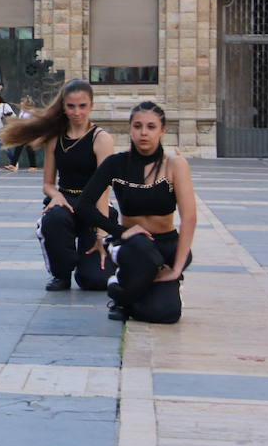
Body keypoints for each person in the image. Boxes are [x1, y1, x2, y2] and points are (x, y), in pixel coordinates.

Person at [76, 102, 195, 324]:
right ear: (130, 128)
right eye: (138, 126)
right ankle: (119, 294)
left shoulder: (175, 165)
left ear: (162, 130)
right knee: (142, 248)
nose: (144, 132)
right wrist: (120, 231)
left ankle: (132, 291)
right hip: (132, 245)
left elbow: (189, 217)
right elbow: (84, 205)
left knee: (166, 314)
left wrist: (176, 269)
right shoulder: (116, 164)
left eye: (151, 126)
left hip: (165, 245)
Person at [0, 79, 117, 293]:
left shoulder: (102, 139)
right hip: (66, 202)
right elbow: (47, 184)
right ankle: (60, 273)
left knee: (95, 281)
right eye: (71, 106)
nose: (76, 112)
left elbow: (103, 189)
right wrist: (55, 195)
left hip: (93, 205)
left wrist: (102, 232)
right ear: (63, 106)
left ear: (91, 106)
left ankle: (91, 264)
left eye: (82, 106)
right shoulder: (55, 138)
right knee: (53, 218)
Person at [6, 96, 40, 172]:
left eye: (22, 103)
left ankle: (33, 166)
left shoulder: (32, 111)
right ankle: (13, 165)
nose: (21, 104)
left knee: (29, 149)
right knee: (19, 147)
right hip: (23, 132)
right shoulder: (22, 111)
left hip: (30, 132)